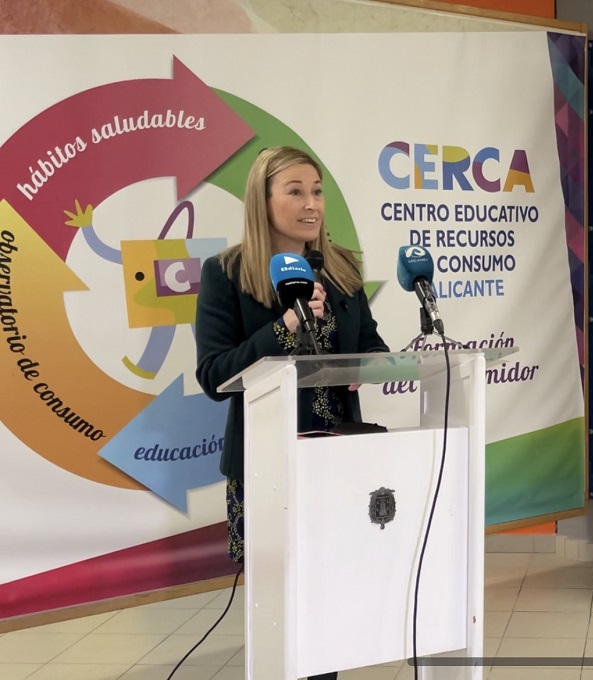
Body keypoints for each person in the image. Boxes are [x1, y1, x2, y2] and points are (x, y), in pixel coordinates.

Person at [194, 146, 390, 680]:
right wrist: (283, 327)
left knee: (333, 593)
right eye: (296, 191)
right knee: (283, 604)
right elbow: (214, 375)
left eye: (317, 192)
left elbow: (370, 345)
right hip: (269, 467)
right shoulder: (227, 274)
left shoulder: (342, 268)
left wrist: (371, 364)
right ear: (263, 201)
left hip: (340, 460)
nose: (312, 205)